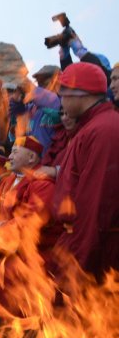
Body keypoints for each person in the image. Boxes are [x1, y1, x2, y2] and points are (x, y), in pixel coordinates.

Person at [0, 136, 61, 315]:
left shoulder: (43, 185)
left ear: (31, 158)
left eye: (15, 151)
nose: (10, 156)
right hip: (4, 244)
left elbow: (29, 221)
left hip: (32, 251)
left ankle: (11, 319)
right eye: (11, 150)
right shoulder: (10, 179)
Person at [52, 62, 119, 280]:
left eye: (63, 92)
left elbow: (96, 204)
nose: (60, 100)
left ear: (79, 95)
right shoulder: (92, 127)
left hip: (101, 255)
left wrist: (78, 266)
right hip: (83, 242)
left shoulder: (103, 131)